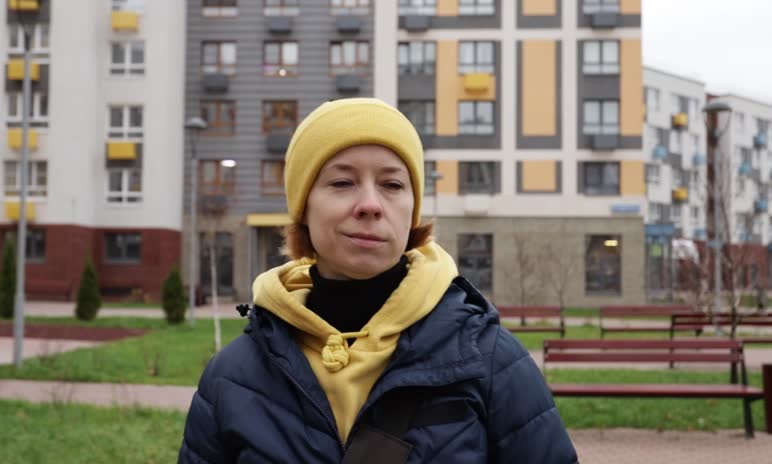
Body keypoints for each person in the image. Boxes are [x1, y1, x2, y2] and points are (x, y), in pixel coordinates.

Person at [178, 98, 577, 463]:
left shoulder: (489, 362)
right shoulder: (232, 378)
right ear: (303, 208)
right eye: (342, 182)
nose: (370, 204)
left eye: (392, 184)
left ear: (412, 209)